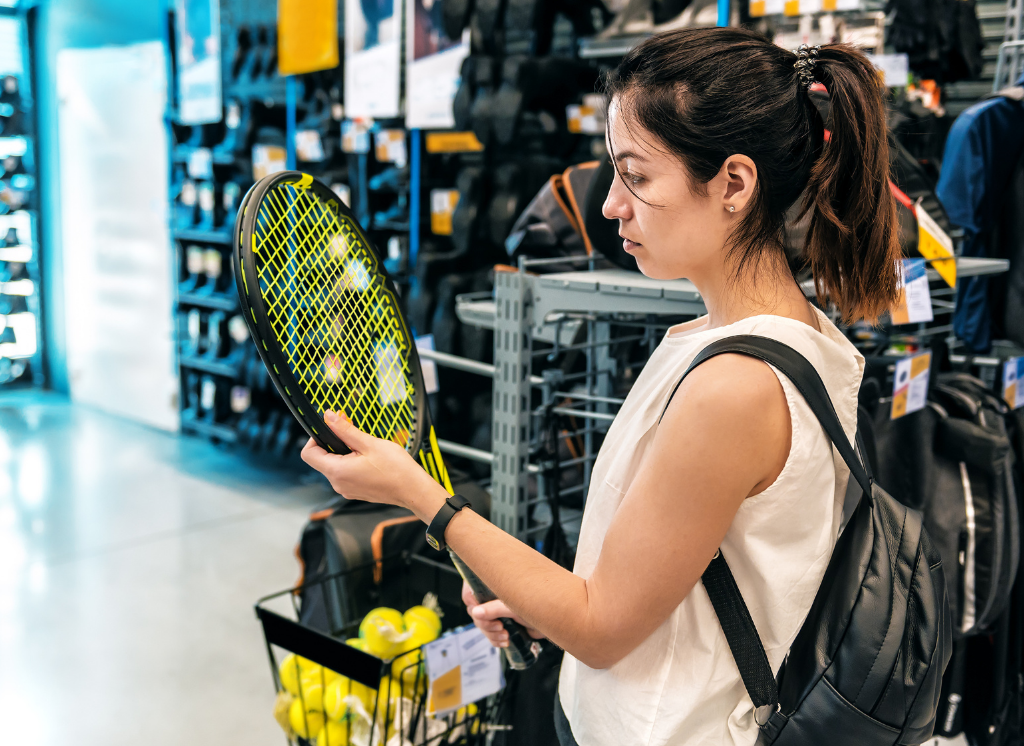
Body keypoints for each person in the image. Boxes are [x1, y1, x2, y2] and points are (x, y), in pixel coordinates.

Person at [301, 26, 899, 746]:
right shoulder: (766, 340)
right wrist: (534, 593)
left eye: (638, 177)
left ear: (734, 184)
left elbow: (601, 627)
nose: (611, 204)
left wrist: (419, 495)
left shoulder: (737, 384)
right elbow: (657, 580)